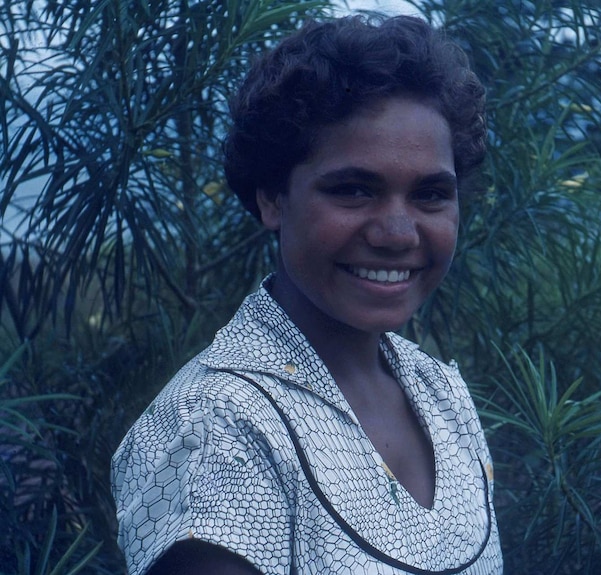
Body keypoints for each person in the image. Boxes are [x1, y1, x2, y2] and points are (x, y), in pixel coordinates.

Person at [111, 14, 503, 575]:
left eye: (431, 194)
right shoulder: (216, 429)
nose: (397, 233)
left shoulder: (442, 396)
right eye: (352, 190)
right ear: (272, 198)